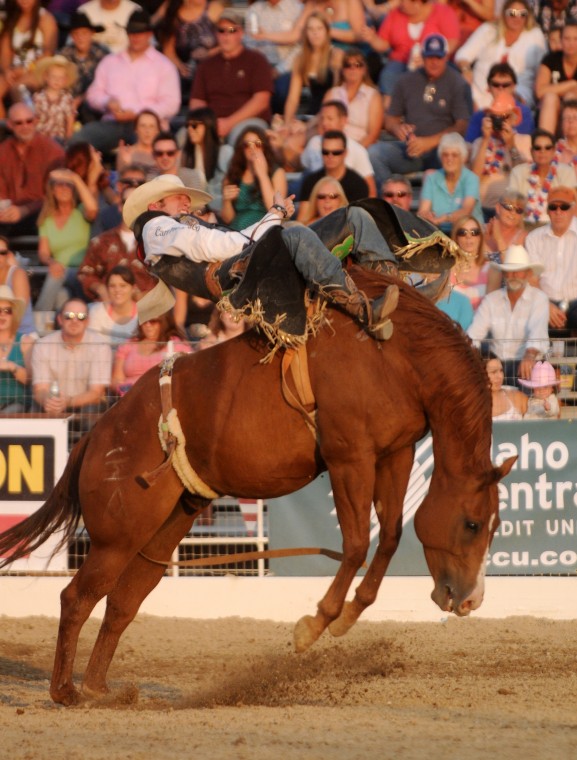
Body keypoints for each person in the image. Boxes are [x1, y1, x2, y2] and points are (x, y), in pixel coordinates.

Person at [123, 174, 400, 341]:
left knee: (354, 215)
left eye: (187, 199)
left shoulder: (174, 225)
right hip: (233, 280)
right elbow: (212, 246)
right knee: (294, 234)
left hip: (244, 264)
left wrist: (275, 213)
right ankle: (360, 308)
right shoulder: (155, 227)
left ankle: (392, 285)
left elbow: (237, 242)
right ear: (154, 206)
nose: (186, 203)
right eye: (179, 198)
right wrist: (275, 216)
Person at [368, 34, 471, 192]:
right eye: (430, 57)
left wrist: (429, 142)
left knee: (457, 153)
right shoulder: (406, 81)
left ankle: (446, 206)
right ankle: (389, 202)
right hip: (411, 147)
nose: (434, 61)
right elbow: (390, 118)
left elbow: (462, 126)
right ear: (423, 57)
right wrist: (398, 129)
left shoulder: (458, 83)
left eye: (439, 57)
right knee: (374, 154)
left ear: (446, 57)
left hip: (443, 149)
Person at [72, 10, 181, 154]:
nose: (135, 37)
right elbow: (93, 94)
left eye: (140, 33)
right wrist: (107, 102)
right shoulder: (110, 61)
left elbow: (171, 103)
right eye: (132, 32)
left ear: (149, 34)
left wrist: (138, 113)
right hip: (112, 122)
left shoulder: (163, 65)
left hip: (147, 126)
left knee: (147, 147)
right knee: (77, 142)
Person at [467, 244, 550, 384]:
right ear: (504, 274)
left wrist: (529, 356)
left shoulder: (539, 298)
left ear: (528, 273)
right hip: (497, 365)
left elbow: (538, 331)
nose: (514, 276)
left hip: (527, 365)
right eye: (510, 272)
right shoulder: (491, 300)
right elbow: (475, 334)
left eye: (519, 271)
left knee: (529, 371)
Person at [189, 9, 274, 143]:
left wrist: (229, 123)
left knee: (242, 137)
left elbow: (261, 100)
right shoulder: (206, 65)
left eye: (231, 30)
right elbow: (197, 101)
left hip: (248, 122)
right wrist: (207, 123)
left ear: (241, 33)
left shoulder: (257, 60)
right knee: (184, 136)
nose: (226, 36)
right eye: (221, 31)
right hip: (212, 124)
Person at [361, 0, 460, 110]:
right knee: (389, 75)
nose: (400, 3)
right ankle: (389, 114)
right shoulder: (395, 14)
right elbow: (384, 44)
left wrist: (429, 59)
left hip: (434, 59)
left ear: (417, 3)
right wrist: (373, 39)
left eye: (404, 1)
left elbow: (452, 42)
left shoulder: (443, 12)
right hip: (401, 61)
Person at [455, 0, 546, 111]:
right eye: (512, 13)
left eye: (522, 14)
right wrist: (465, 70)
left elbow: (543, 69)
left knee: (510, 100)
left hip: (519, 92)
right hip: (480, 92)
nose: (517, 18)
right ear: (504, 13)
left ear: (528, 16)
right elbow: (462, 55)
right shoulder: (489, 30)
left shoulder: (535, 35)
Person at [31, 296, 112, 416]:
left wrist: (68, 402)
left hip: (86, 405)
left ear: (87, 321)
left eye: (81, 317)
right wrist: (47, 401)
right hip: (54, 403)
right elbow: (40, 390)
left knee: (92, 411)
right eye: (69, 316)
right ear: (60, 319)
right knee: (37, 408)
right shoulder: (42, 345)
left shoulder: (100, 346)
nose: (75, 321)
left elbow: (97, 392)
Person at [78, 182, 155, 301]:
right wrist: (101, 289)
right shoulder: (101, 242)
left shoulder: (157, 242)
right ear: (120, 206)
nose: (131, 206)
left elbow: (167, 280)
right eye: (126, 201)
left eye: (137, 201)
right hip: (109, 309)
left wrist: (147, 296)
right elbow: (85, 274)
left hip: (148, 312)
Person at [35, 167, 98, 312]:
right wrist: (52, 262)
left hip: (82, 271)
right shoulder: (46, 220)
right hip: (59, 272)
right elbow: (43, 253)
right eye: (59, 184)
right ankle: (53, 327)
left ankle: (38, 315)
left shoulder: (81, 212)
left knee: (57, 275)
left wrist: (74, 177)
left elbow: (93, 208)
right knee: (62, 297)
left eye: (68, 185)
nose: (64, 188)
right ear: (52, 190)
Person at [0, 102, 65, 236]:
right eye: (19, 123)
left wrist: (25, 210)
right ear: (10, 125)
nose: (25, 126)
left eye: (29, 121)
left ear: (36, 121)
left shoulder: (52, 151)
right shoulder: (3, 151)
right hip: (9, 213)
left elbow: (54, 195)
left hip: (41, 212)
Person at [524, 185, 577, 330]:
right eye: (553, 207)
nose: (558, 212)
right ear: (548, 211)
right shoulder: (533, 238)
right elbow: (532, 280)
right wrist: (545, 305)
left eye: (564, 207)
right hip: (545, 300)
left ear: (573, 210)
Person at [468, 89, 531, 210]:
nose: (499, 121)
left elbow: (525, 177)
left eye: (504, 116)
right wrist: (486, 139)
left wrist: (511, 145)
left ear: (513, 118)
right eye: (495, 116)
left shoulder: (525, 141)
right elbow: (474, 177)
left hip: (511, 209)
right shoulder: (480, 142)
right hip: (481, 208)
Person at [299, 100, 377, 196]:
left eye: (330, 119)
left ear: (343, 120)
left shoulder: (358, 150)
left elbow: (371, 191)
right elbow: (304, 167)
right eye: (322, 118)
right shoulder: (313, 143)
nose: (324, 123)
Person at [283, 12, 344, 126]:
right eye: (310, 29)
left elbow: (337, 96)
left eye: (319, 28)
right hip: (312, 113)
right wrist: (287, 124)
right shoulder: (300, 58)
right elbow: (292, 99)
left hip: (331, 116)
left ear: (327, 31)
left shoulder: (336, 55)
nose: (315, 33)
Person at [0, 0, 59, 118]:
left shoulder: (46, 19)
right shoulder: (11, 18)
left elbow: (48, 53)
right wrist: (7, 70)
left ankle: (28, 125)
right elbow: (5, 52)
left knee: (19, 88)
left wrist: (25, 69)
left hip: (38, 69)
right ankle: (4, 127)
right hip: (14, 69)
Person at [221, 126, 288, 231]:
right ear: (241, 149)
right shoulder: (233, 174)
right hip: (235, 233)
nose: (252, 149)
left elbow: (276, 210)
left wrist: (262, 175)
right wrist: (226, 201)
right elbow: (228, 219)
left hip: (263, 234)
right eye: (247, 145)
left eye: (257, 144)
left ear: (264, 146)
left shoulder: (277, 173)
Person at [156, 0, 222, 104]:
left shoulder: (214, 9)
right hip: (186, 71)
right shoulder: (174, 14)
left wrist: (209, 53)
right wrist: (180, 67)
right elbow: (168, 51)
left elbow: (232, 31)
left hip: (213, 67)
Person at [244, 0, 304, 115]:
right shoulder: (254, 10)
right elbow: (249, 42)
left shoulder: (297, 9)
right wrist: (261, 68)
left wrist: (279, 69)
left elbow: (300, 48)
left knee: (280, 91)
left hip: (287, 67)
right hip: (260, 66)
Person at [507, 129, 576, 227]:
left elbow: (570, 206)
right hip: (524, 227)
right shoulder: (518, 172)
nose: (542, 151)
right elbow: (511, 205)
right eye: (537, 148)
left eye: (547, 148)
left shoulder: (566, 172)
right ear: (531, 151)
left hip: (557, 227)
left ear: (553, 151)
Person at [111, 309, 191, 393]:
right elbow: (116, 379)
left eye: (153, 321)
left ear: (163, 322)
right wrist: (122, 388)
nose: (148, 325)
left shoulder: (176, 344)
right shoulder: (129, 344)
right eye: (144, 321)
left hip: (159, 394)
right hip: (130, 395)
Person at [417, 132, 483, 233]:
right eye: (445, 155)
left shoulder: (471, 179)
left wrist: (444, 218)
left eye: (454, 155)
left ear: (463, 158)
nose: (449, 159)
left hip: (467, 233)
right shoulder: (432, 178)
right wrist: (427, 215)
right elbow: (422, 211)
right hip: (439, 233)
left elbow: (466, 211)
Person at [297, 130, 369, 222]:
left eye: (336, 152)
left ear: (345, 153)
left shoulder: (358, 184)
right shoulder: (310, 182)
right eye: (325, 152)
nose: (330, 156)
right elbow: (303, 221)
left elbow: (360, 222)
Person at [322, 47, 381, 148]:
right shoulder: (332, 93)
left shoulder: (373, 96)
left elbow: (373, 134)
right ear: (342, 69)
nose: (352, 68)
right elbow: (321, 126)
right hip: (332, 147)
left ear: (364, 69)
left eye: (357, 65)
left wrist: (355, 152)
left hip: (361, 147)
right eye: (347, 65)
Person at [57, 11, 108, 125]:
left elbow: (107, 83)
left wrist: (81, 99)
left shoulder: (103, 54)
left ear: (92, 33)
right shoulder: (64, 55)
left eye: (84, 33)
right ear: (71, 36)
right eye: (76, 34)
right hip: (67, 101)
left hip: (94, 102)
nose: (80, 38)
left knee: (88, 108)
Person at [464, 63, 535, 144]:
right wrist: (485, 137)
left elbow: (526, 145)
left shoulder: (524, 112)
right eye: (496, 84)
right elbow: (469, 145)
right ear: (489, 87)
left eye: (506, 85)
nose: (501, 88)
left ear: (514, 86)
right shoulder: (480, 116)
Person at [535, 19, 577, 134]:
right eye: (567, 39)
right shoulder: (551, 59)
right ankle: (545, 142)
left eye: (575, 39)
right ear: (561, 41)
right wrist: (572, 84)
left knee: (570, 97)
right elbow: (540, 91)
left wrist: (560, 90)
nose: (571, 43)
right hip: (552, 111)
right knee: (550, 98)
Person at [178, 107, 225, 201]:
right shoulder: (186, 154)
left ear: (208, 125)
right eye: (188, 126)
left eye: (194, 125)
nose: (190, 129)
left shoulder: (224, 152)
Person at [0, 284, 32, 413]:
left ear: (14, 315)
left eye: (7, 311)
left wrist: (11, 367)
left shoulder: (25, 341)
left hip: (16, 404)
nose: (2, 315)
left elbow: (30, 380)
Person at [32, 54, 78, 143]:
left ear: (65, 81)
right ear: (46, 77)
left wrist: (68, 139)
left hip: (58, 138)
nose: (57, 80)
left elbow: (70, 119)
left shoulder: (67, 98)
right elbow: (34, 118)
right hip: (40, 137)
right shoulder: (38, 97)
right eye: (54, 77)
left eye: (60, 78)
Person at [88, 264, 138, 345]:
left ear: (133, 289)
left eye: (123, 286)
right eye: (112, 286)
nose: (117, 290)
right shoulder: (96, 312)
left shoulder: (144, 316)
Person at [450, 215, 492, 311]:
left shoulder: (491, 269)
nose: (468, 237)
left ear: (480, 237)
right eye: (462, 232)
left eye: (474, 232)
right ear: (456, 238)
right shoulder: (447, 269)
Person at [0, 236, 36, 336]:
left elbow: (19, 314)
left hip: (23, 336)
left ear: (8, 255)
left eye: (3, 253)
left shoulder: (17, 274)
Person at [115, 109, 161, 179]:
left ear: (157, 130)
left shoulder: (165, 154)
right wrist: (126, 163)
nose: (147, 131)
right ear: (136, 129)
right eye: (143, 126)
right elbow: (120, 180)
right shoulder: (126, 152)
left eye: (151, 126)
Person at [485, 354, 527, 420]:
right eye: (493, 372)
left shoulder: (517, 397)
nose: (500, 376)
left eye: (501, 371)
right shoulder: (472, 405)